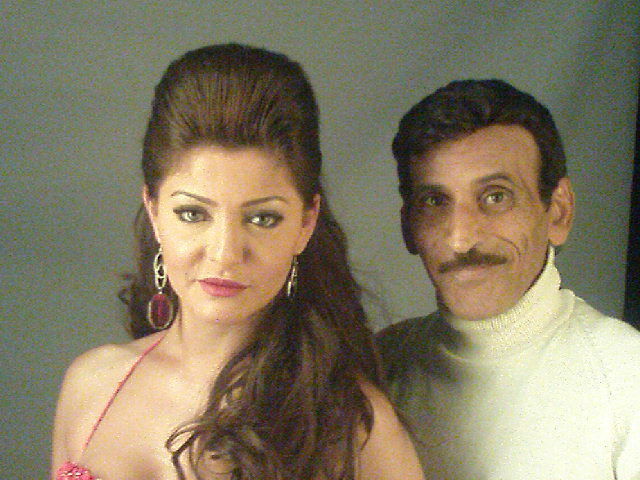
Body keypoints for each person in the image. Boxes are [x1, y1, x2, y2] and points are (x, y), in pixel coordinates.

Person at [52, 44, 424, 480]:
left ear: (306, 223)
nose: (226, 253)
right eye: (193, 214)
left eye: (262, 218)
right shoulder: (91, 383)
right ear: (154, 211)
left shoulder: (355, 429)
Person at [376, 79, 640, 479]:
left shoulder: (627, 379)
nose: (461, 238)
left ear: (558, 212)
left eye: (495, 196)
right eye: (434, 201)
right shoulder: (380, 367)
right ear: (407, 227)